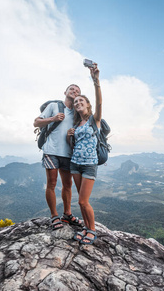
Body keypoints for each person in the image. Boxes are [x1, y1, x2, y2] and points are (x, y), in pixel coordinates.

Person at [33, 84, 83, 230]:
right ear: (65, 92)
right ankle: (54, 216)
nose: (75, 91)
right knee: (52, 184)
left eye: (78, 91)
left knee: (68, 185)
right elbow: (36, 122)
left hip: (68, 153)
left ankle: (67, 214)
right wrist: (53, 119)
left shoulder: (77, 112)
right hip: (51, 151)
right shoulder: (54, 106)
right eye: (72, 89)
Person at [67, 63, 102, 245]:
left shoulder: (94, 121)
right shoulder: (75, 126)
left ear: (87, 105)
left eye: (81, 101)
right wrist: (68, 136)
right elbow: (72, 146)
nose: (78, 102)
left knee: (83, 201)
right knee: (80, 202)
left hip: (89, 164)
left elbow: (99, 102)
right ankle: (86, 228)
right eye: (76, 102)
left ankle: (92, 230)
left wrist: (96, 81)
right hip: (75, 164)